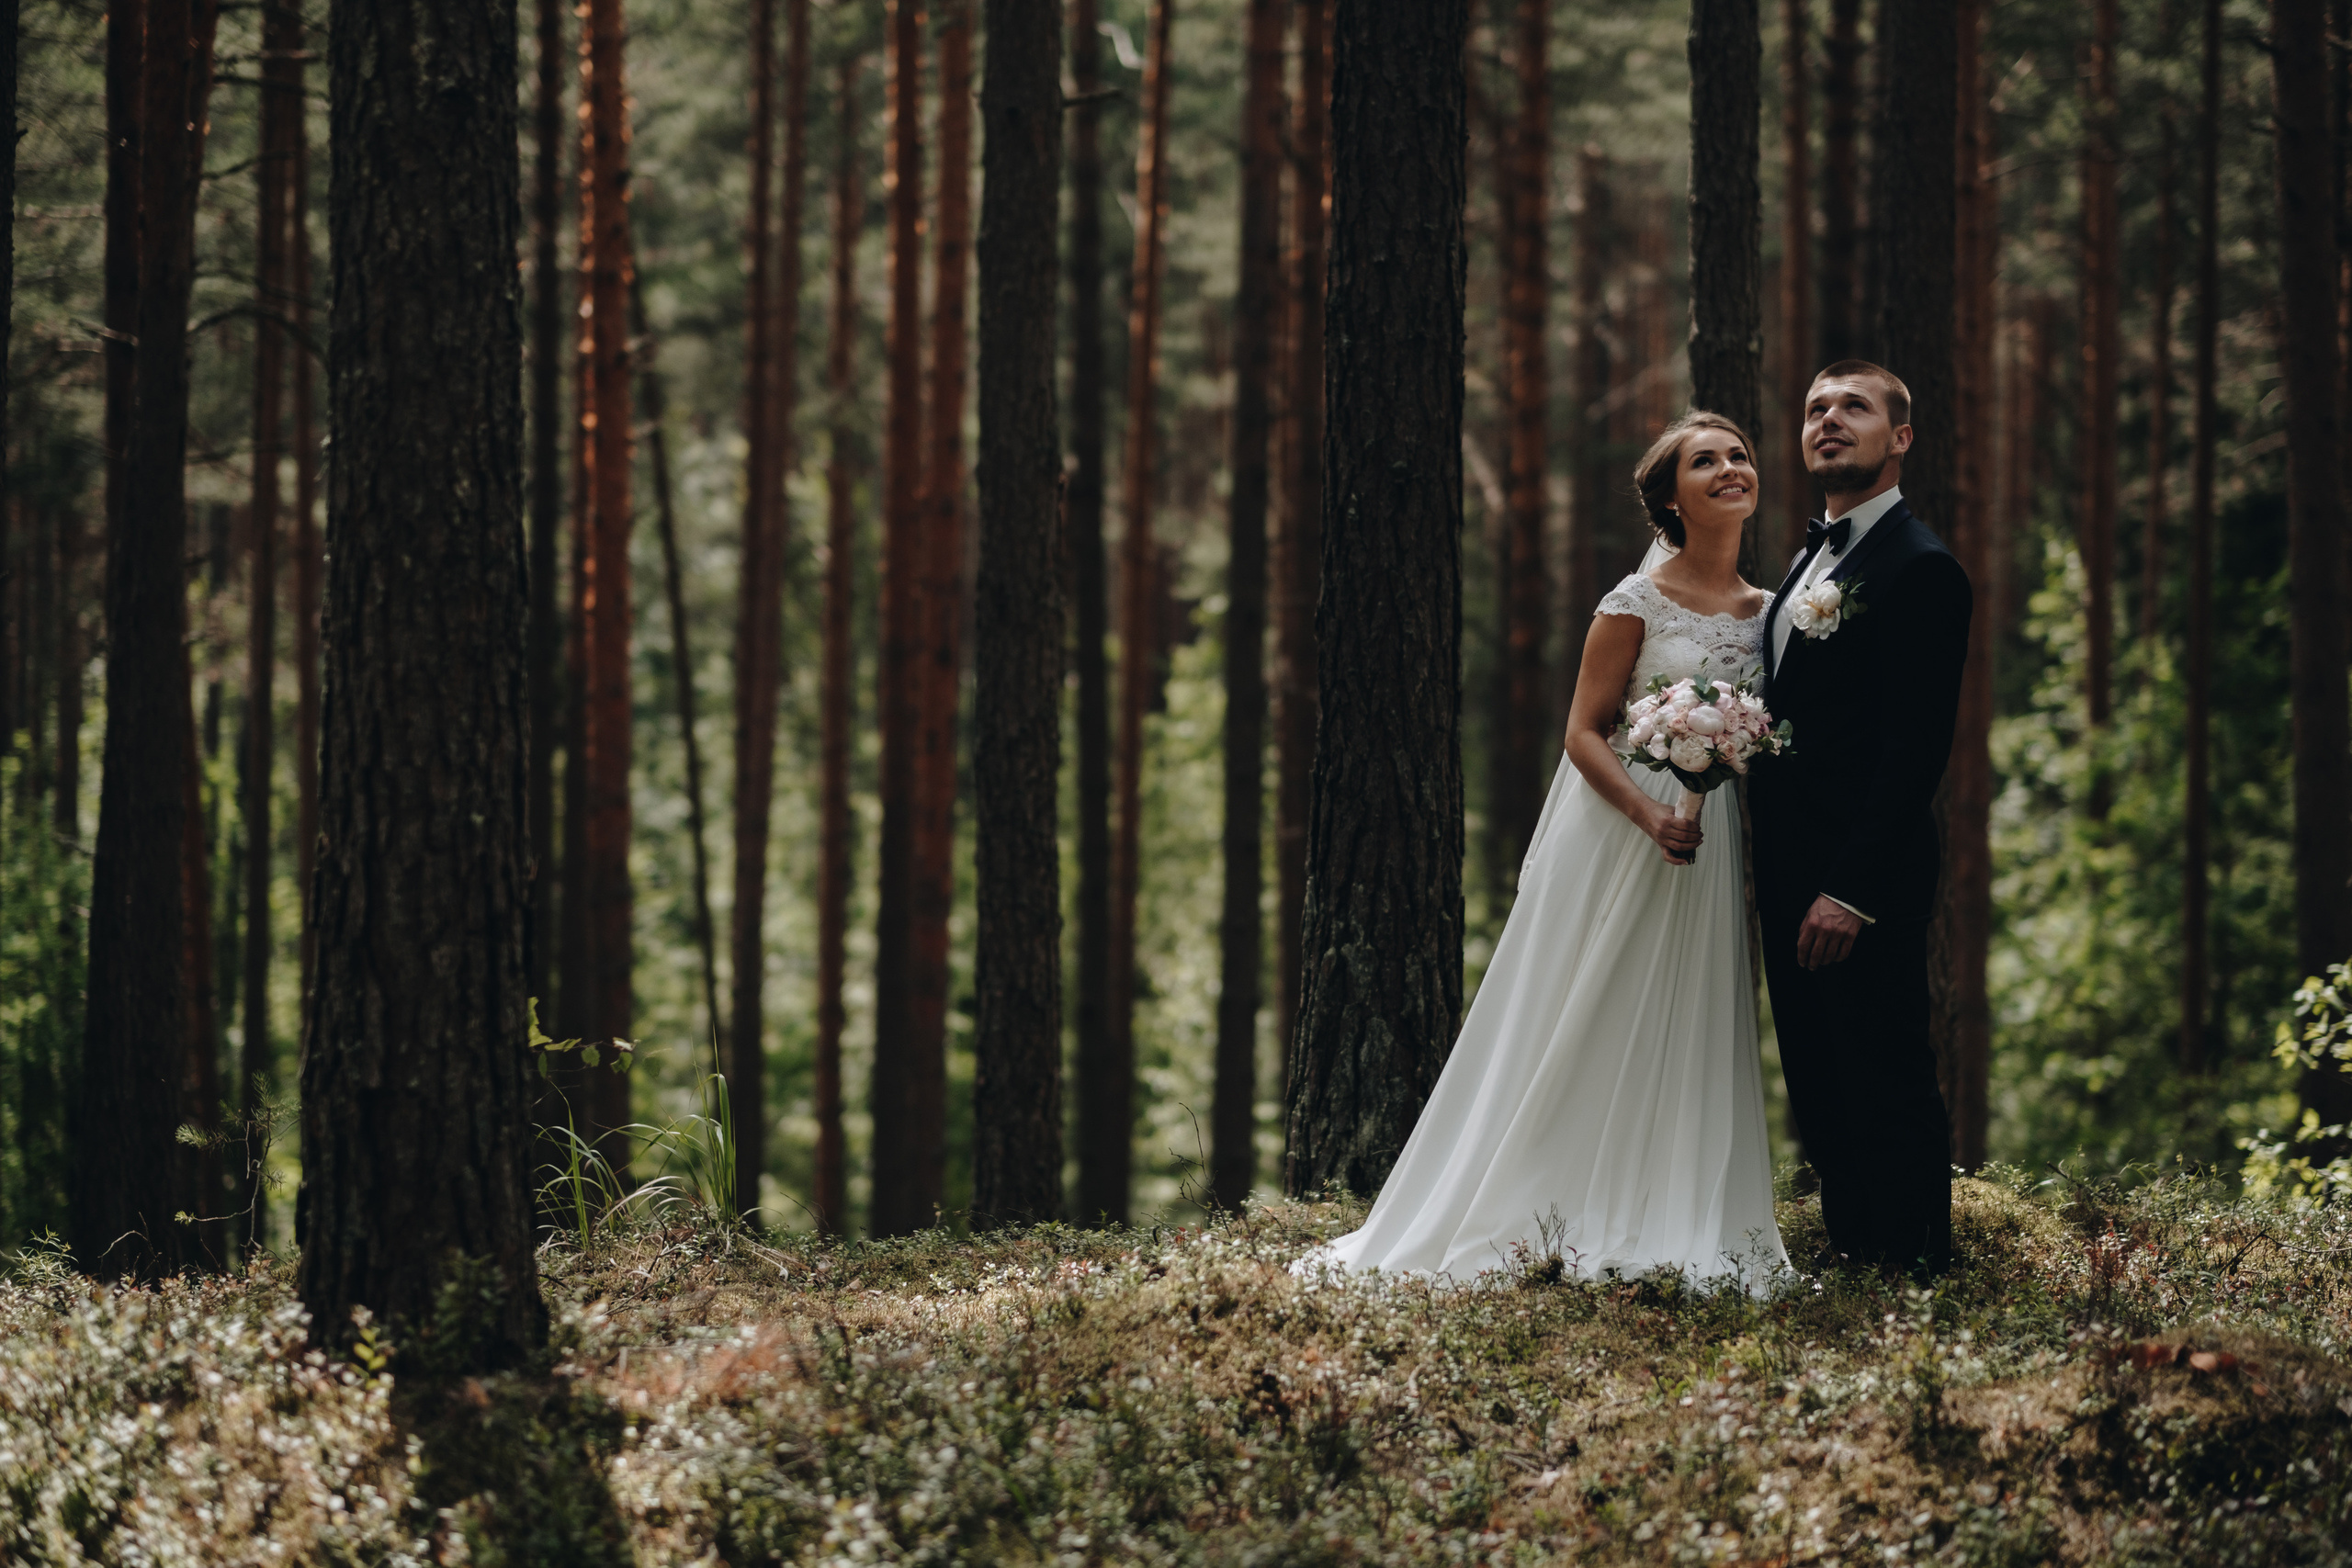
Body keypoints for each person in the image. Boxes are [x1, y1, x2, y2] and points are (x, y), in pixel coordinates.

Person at [1300, 412, 1787, 1289]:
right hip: (1618, 828)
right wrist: (1649, 814)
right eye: (1704, 461)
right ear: (1671, 500)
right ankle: (1529, 1202)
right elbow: (1583, 731)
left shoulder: (1768, 611)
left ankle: (1660, 1204)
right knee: (1578, 1005)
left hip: (1704, 839)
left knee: (1681, 1014)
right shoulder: (1633, 601)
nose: (1729, 468)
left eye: (1739, 456)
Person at [1750, 360, 1972, 1278]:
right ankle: (1855, 1254)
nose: (1829, 420)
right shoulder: (1810, 560)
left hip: (1860, 875)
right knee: (1817, 1070)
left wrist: (1849, 888)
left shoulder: (1920, 567)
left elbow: (1914, 751)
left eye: (1853, 406)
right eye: (1815, 409)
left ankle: (1917, 1265)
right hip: (1786, 864)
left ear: (1900, 437)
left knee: (1884, 1066)